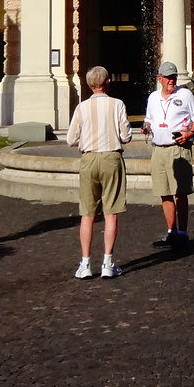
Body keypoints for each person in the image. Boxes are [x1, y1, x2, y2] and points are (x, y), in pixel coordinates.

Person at [64, 65, 133, 279]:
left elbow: (70, 139)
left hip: (89, 158)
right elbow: (126, 135)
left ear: (89, 84)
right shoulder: (117, 104)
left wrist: (84, 141)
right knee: (111, 213)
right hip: (111, 157)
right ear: (107, 82)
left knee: (87, 213)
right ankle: (108, 263)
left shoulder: (82, 108)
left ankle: (85, 264)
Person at [145, 60, 194, 247]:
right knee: (164, 192)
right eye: (168, 77)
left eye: (174, 77)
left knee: (181, 192)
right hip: (158, 149)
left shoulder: (185, 95)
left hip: (177, 148)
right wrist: (146, 127)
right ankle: (171, 231)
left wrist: (189, 133)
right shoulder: (153, 97)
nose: (172, 80)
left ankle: (183, 232)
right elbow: (149, 119)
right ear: (159, 78)